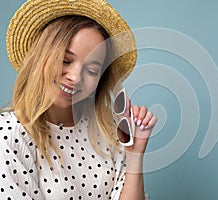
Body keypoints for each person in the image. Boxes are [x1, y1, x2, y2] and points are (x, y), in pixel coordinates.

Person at [0, 0, 157, 199]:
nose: (75, 77)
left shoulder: (109, 134)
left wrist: (134, 155)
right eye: (65, 60)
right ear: (40, 57)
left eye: (92, 70)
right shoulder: (9, 136)